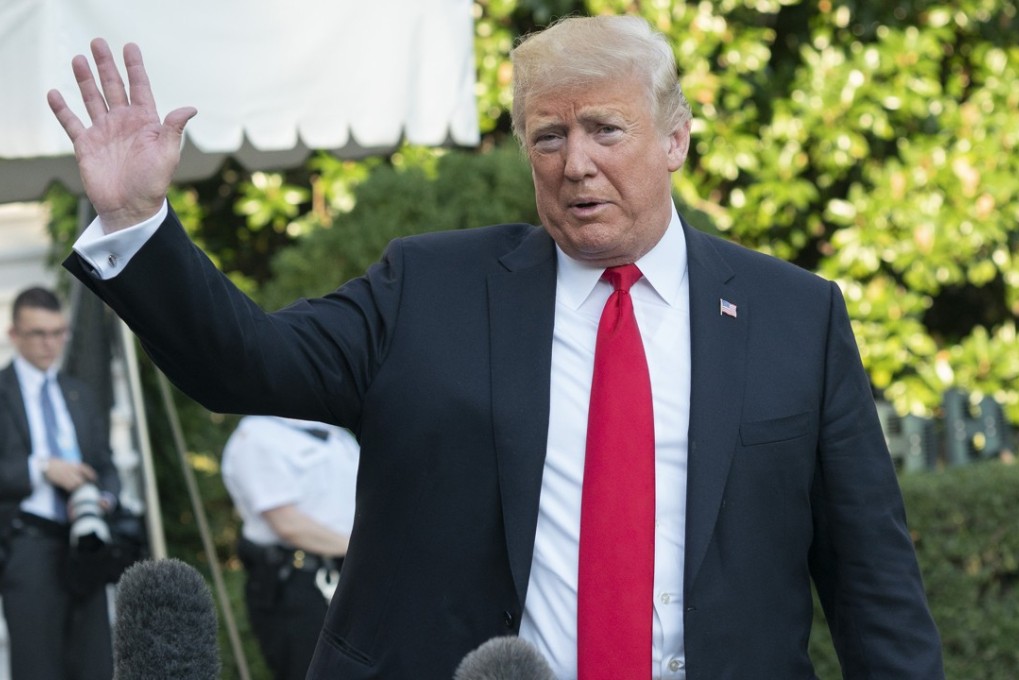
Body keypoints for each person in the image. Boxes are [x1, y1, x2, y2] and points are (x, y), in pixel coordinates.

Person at [47, 15, 945, 679]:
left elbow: (875, 588)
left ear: (675, 140)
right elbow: (243, 364)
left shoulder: (798, 318)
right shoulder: (429, 291)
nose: (574, 162)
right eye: (547, 137)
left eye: (605, 129)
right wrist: (137, 220)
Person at [0, 287, 120, 680]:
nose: (49, 343)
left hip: (85, 542)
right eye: (38, 333)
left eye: (57, 332)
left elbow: (107, 467)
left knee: (96, 664)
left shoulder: (79, 393)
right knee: (37, 668)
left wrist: (102, 499)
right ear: (13, 334)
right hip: (27, 544)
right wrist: (41, 468)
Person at [222, 415, 358, 680]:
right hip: (298, 584)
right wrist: (369, 552)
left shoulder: (337, 433)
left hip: (350, 575)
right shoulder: (257, 435)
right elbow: (288, 524)